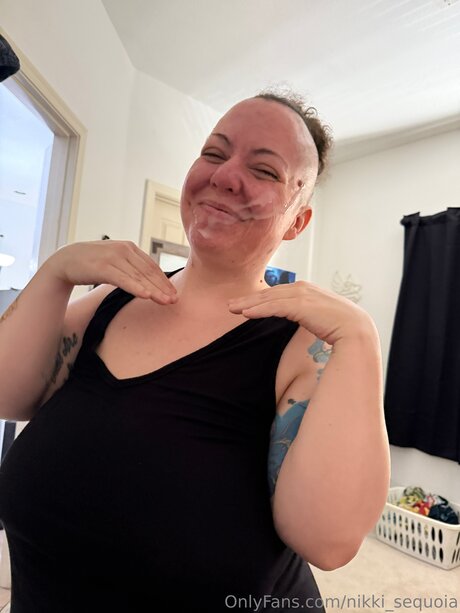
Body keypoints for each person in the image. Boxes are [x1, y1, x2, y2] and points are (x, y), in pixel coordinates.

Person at [0, 89, 390, 612]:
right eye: (214, 153)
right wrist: (57, 271)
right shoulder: (109, 303)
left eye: (265, 170)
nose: (225, 176)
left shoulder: (305, 346)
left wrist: (361, 339)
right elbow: (7, 395)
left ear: (297, 222)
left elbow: (327, 541)